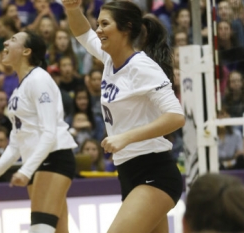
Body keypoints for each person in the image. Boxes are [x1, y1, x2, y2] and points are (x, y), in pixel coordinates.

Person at [63, 1, 185, 233]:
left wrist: (126, 137)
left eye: (104, 24)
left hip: (154, 172)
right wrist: (71, 9)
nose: (98, 29)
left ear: (126, 28)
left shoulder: (141, 67)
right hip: (128, 172)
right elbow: (83, 34)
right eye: (98, 23)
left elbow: (176, 116)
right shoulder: (110, 59)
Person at [0, 30, 77, 233]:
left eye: (12, 40)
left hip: (53, 158)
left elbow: (49, 133)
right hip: (38, 163)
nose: (5, 42)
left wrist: (26, 170)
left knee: (40, 229)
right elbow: (15, 144)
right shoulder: (19, 89)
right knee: (58, 230)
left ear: (26, 51)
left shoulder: (39, 79)